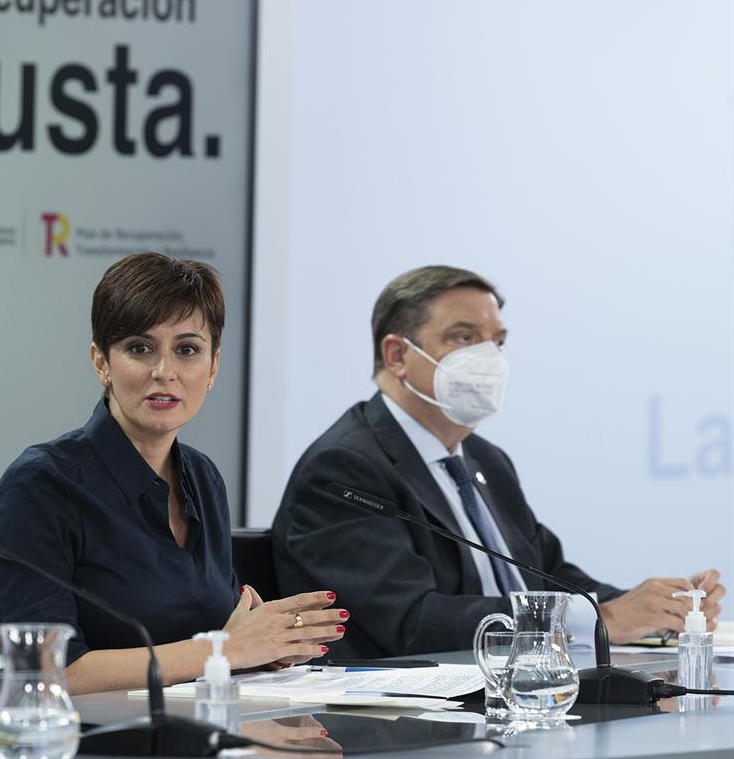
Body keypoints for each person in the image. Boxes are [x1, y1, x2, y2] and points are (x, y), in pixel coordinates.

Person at [272, 265, 724, 659]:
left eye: (498, 341)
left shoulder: (486, 460)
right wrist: (599, 618)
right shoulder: (344, 468)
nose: (489, 358)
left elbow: (549, 577)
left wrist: (652, 609)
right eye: (464, 337)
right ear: (398, 355)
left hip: (511, 696)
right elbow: (413, 620)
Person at [0, 253, 349, 694]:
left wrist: (269, 645)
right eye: (140, 348)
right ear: (102, 362)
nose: (164, 372)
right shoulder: (41, 485)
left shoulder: (202, 476)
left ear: (212, 368)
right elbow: (48, 674)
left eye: (188, 350)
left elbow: (217, 636)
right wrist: (227, 649)